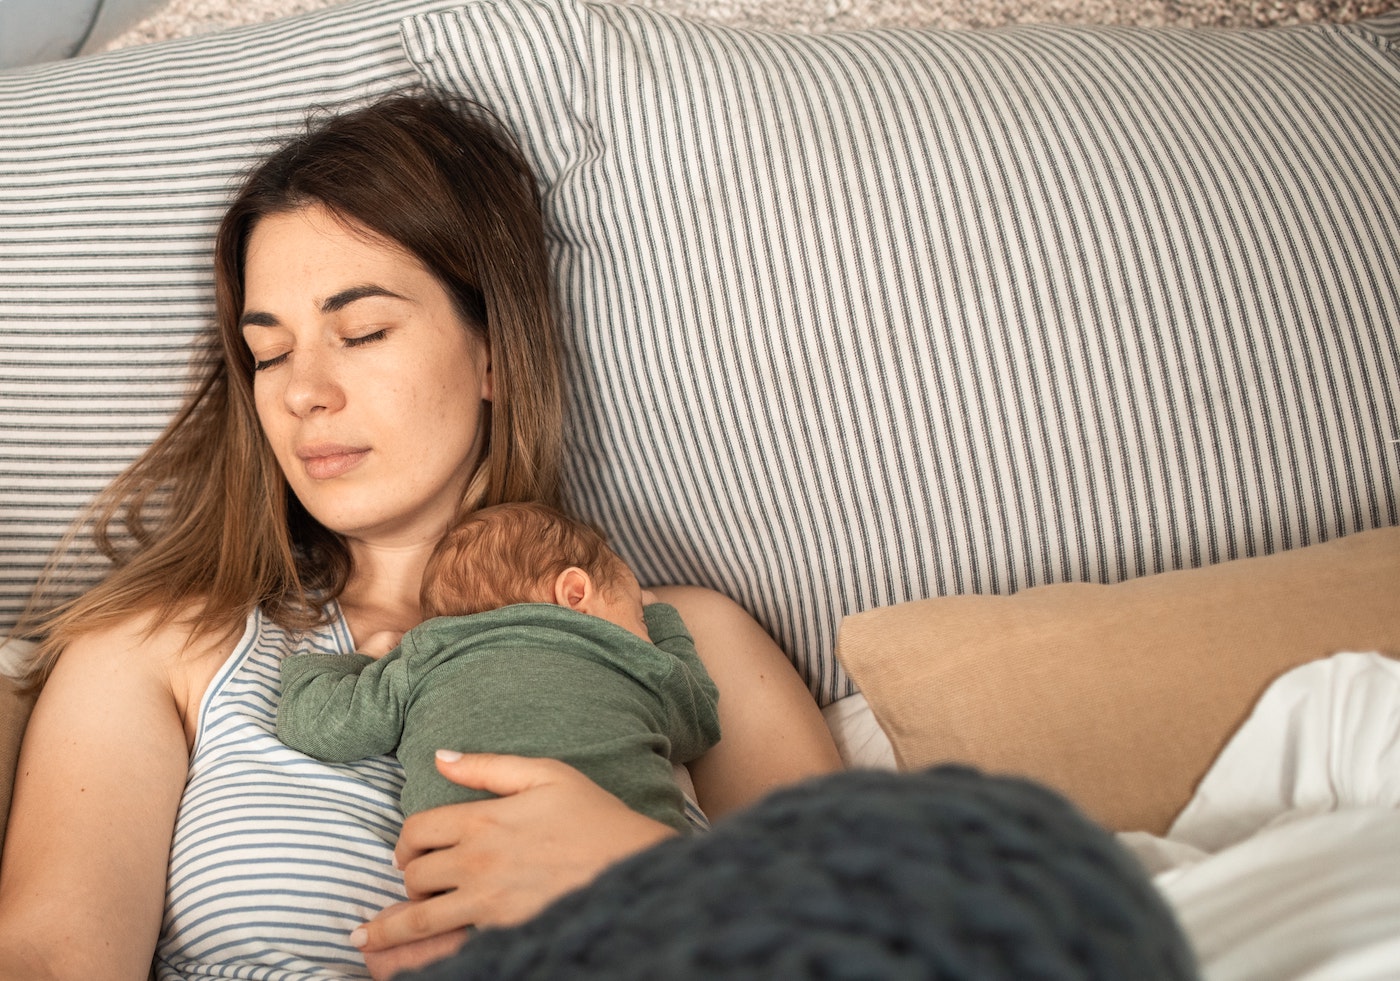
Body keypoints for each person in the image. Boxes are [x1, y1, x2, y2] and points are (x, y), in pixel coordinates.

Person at [0, 90, 843, 981]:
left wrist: (647, 874)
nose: (303, 392)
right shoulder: (160, 646)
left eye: (360, 330)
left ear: (491, 353)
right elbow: (50, 961)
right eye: (270, 353)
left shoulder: (680, 635)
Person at [277, 501, 722, 834]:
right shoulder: (621, 652)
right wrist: (663, 623)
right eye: (638, 618)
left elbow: (318, 724)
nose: (642, 632)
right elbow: (697, 722)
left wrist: (365, 661)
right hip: (629, 861)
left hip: (472, 878)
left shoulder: (425, 657)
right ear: (574, 595)